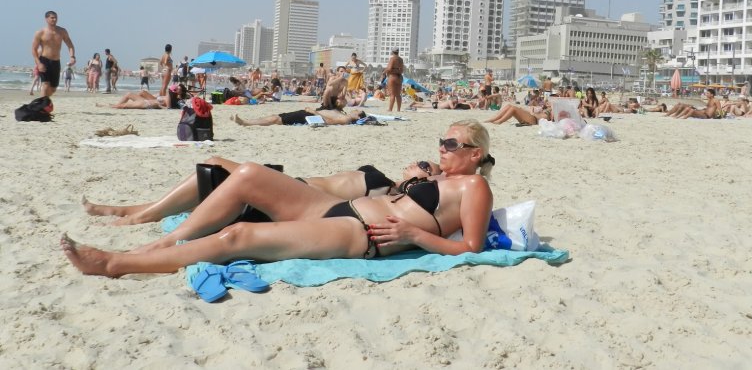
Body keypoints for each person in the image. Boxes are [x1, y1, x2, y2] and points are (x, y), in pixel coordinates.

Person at [61, 120, 495, 277]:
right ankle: (160, 240)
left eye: (450, 144)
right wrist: (413, 180)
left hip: (358, 232)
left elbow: (471, 248)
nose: (441, 148)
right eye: (441, 141)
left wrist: (413, 235)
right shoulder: (439, 177)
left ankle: (117, 264)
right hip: (334, 210)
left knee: (239, 235)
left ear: (475, 154)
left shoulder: (475, 187)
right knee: (248, 173)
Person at [82, 157, 445, 226]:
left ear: (425, 179)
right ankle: (135, 209)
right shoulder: (387, 186)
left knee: (216, 169)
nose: (415, 162)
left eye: (423, 164)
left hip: (296, 195)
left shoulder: (386, 192)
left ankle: (140, 213)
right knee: (211, 169)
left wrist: (430, 178)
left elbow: (342, 210)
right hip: (295, 184)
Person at [31, 10, 76, 98]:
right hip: (44, 60)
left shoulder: (62, 31)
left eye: (56, 18)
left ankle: (43, 102)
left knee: (53, 89)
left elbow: (70, 45)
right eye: (52, 18)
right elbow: (33, 49)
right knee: (45, 85)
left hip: (56, 61)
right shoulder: (40, 32)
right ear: (46, 19)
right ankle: (42, 107)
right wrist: (38, 63)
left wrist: (72, 57)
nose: (54, 19)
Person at [232, 107, 367, 127]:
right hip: (308, 113)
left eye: (357, 111)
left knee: (276, 119)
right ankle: (247, 122)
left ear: (357, 116)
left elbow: (330, 121)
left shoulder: (347, 119)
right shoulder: (344, 113)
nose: (354, 110)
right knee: (276, 117)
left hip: (309, 116)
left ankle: (246, 122)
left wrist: (314, 112)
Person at [384, 48, 404, 112]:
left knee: (392, 94)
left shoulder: (392, 59)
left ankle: (390, 109)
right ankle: (398, 109)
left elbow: (389, 68)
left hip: (392, 76)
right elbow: (402, 70)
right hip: (399, 77)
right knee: (398, 94)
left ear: (392, 52)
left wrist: (384, 72)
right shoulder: (401, 59)